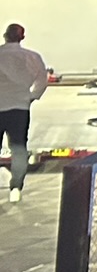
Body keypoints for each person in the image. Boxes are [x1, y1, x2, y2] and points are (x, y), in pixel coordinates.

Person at [0, 25, 50, 202]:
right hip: (20, 108)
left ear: (5, 36)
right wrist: (31, 97)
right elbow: (42, 81)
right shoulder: (32, 57)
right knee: (19, 148)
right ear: (22, 38)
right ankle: (16, 187)